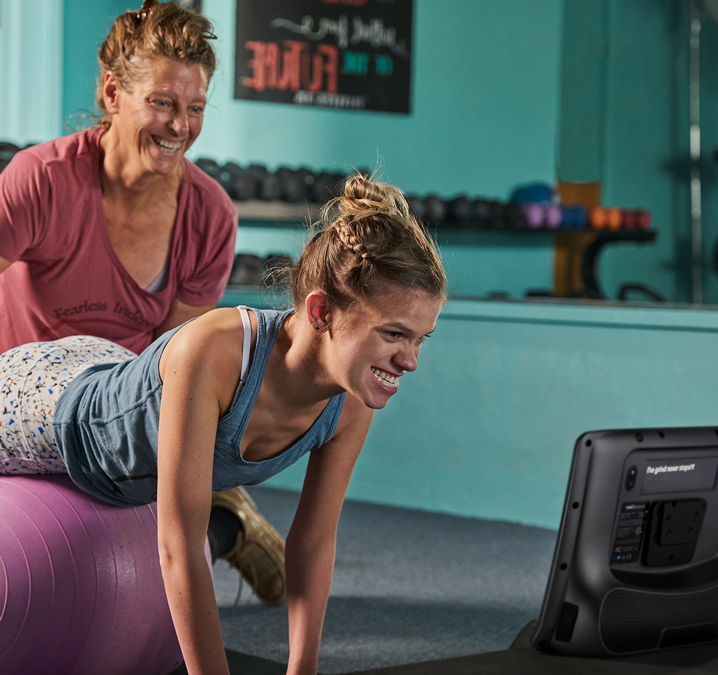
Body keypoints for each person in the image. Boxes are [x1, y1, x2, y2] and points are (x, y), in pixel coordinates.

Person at [0, 173, 447, 675]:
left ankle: (221, 504)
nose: (410, 361)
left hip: (120, 389)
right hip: (45, 404)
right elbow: (177, 546)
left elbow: (314, 539)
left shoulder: (353, 398)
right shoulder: (214, 352)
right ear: (321, 312)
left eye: (421, 339)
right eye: (394, 334)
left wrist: (303, 667)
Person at [0, 0, 285, 602]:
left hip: (121, 407)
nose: (179, 126)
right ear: (112, 94)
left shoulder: (210, 216)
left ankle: (222, 515)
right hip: (22, 396)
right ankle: (226, 515)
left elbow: (177, 358)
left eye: (195, 107)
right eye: (161, 102)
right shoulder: (39, 179)